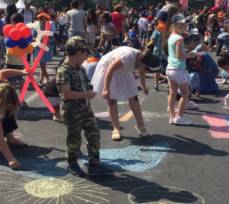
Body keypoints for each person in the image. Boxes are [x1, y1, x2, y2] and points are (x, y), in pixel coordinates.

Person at [91, 46, 160, 141]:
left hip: (123, 70)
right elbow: (110, 70)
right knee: (112, 100)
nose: (147, 72)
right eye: (147, 70)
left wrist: (144, 86)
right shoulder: (127, 56)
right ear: (143, 64)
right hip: (109, 68)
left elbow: (141, 72)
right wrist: (106, 88)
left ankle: (141, 126)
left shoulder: (142, 59)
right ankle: (116, 128)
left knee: (134, 98)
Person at [56, 36, 100, 176]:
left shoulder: (80, 68)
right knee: (74, 138)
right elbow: (67, 94)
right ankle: (72, 160)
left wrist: (90, 89)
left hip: (86, 108)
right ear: (78, 52)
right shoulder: (63, 71)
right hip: (72, 111)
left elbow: (85, 85)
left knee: (94, 133)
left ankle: (94, 159)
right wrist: (87, 94)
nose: (86, 56)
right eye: (85, 53)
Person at [166, 14, 197, 125]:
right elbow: (180, 56)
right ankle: (179, 117)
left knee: (173, 93)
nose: (183, 26)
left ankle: (172, 117)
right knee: (185, 94)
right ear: (175, 25)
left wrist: (187, 49)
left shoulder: (172, 36)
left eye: (184, 24)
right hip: (178, 70)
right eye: (180, 24)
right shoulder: (179, 38)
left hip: (170, 68)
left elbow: (176, 52)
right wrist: (191, 54)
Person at [33, 12, 54, 85]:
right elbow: (33, 37)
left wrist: (48, 39)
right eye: (42, 19)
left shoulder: (49, 28)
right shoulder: (36, 28)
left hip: (46, 48)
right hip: (39, 48)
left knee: (43, 65)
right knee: (42, 65)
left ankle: (42, 80)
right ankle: (47, 80)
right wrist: (39, 38)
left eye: (45, 19)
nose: (43, 21)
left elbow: (52, 39)